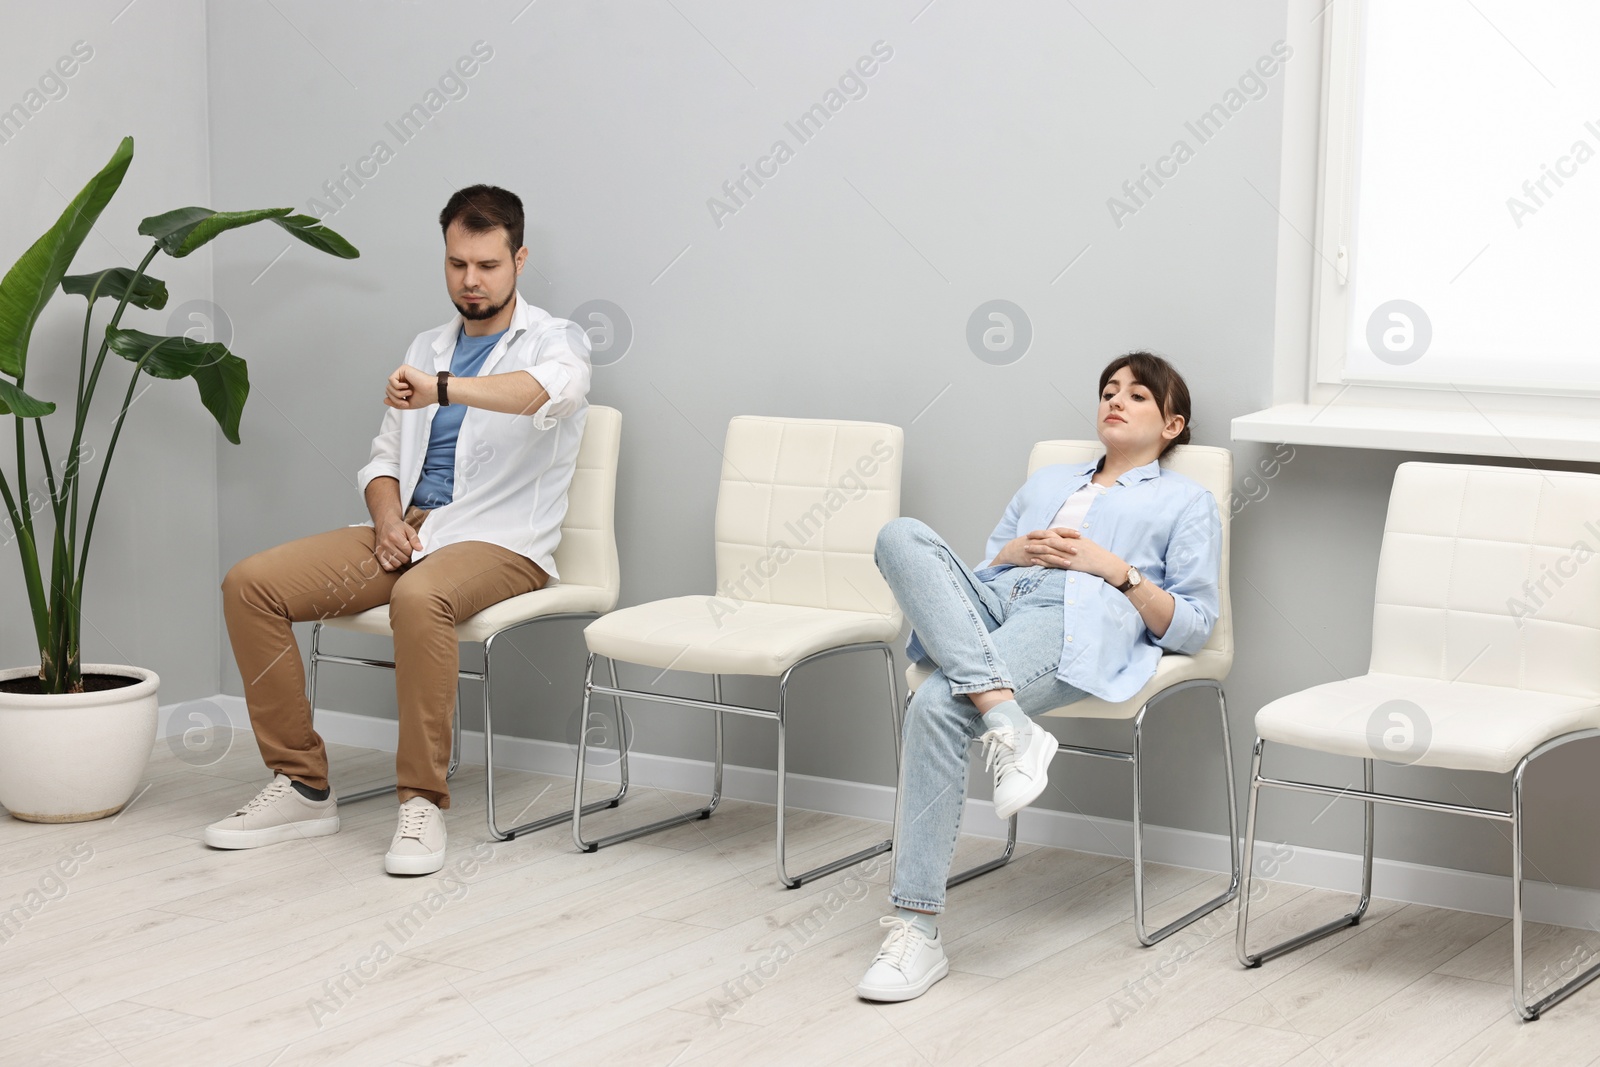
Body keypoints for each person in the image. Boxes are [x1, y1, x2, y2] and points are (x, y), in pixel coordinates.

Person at [207, 185, 593, 875]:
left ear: (519, 260)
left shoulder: (557, 339)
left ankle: (422, 800)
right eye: (456, 264)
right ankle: (301, 783)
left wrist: (444, 387)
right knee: (251, 585)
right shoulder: (426, 343)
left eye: (486, 265)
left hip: (503, 544)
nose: (470, 281)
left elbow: (543, 392)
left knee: (420, 598)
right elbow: (386, 456)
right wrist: (387, 520)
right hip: (409, 535)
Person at [856, 352, 1222, 1000]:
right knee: (899, 534)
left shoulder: (1185, 500)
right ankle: (1007, 720)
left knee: (939, 702)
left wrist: (1116, 569)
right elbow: (966, 579)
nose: (1116, 399)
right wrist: (1013, 551)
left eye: (1138, 395)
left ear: (1172, 423)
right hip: (1005, 601)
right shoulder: (1047, 481)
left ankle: (917, 931)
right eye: (1109, 389)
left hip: (1080, 612)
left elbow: (1194, 624)